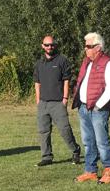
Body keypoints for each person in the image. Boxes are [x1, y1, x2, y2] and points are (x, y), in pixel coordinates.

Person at [72, 32, 110, 185]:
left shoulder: (108, 63)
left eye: (89, 46)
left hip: (98, 109)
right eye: (85, 46)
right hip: (84, 107)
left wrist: (98, 105)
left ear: (98, 47)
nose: (85, 49)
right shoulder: (86, 61)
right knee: (87, 141)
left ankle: (108, 171)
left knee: (102, 142)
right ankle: (90, 171)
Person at [33, 35, 80, 167]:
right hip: (43, 103)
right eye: (47, 45)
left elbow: (66, 81)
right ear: (42, 46)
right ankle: (47, 156)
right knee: (43, 131)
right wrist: (38, 100)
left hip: (58, 102)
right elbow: (37, 83)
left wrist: (65, 99)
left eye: (52, 44)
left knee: (64, 129)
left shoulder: (62, 61)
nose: (49, 47)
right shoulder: (39, 63)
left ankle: (75, 150)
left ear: (55, 45)